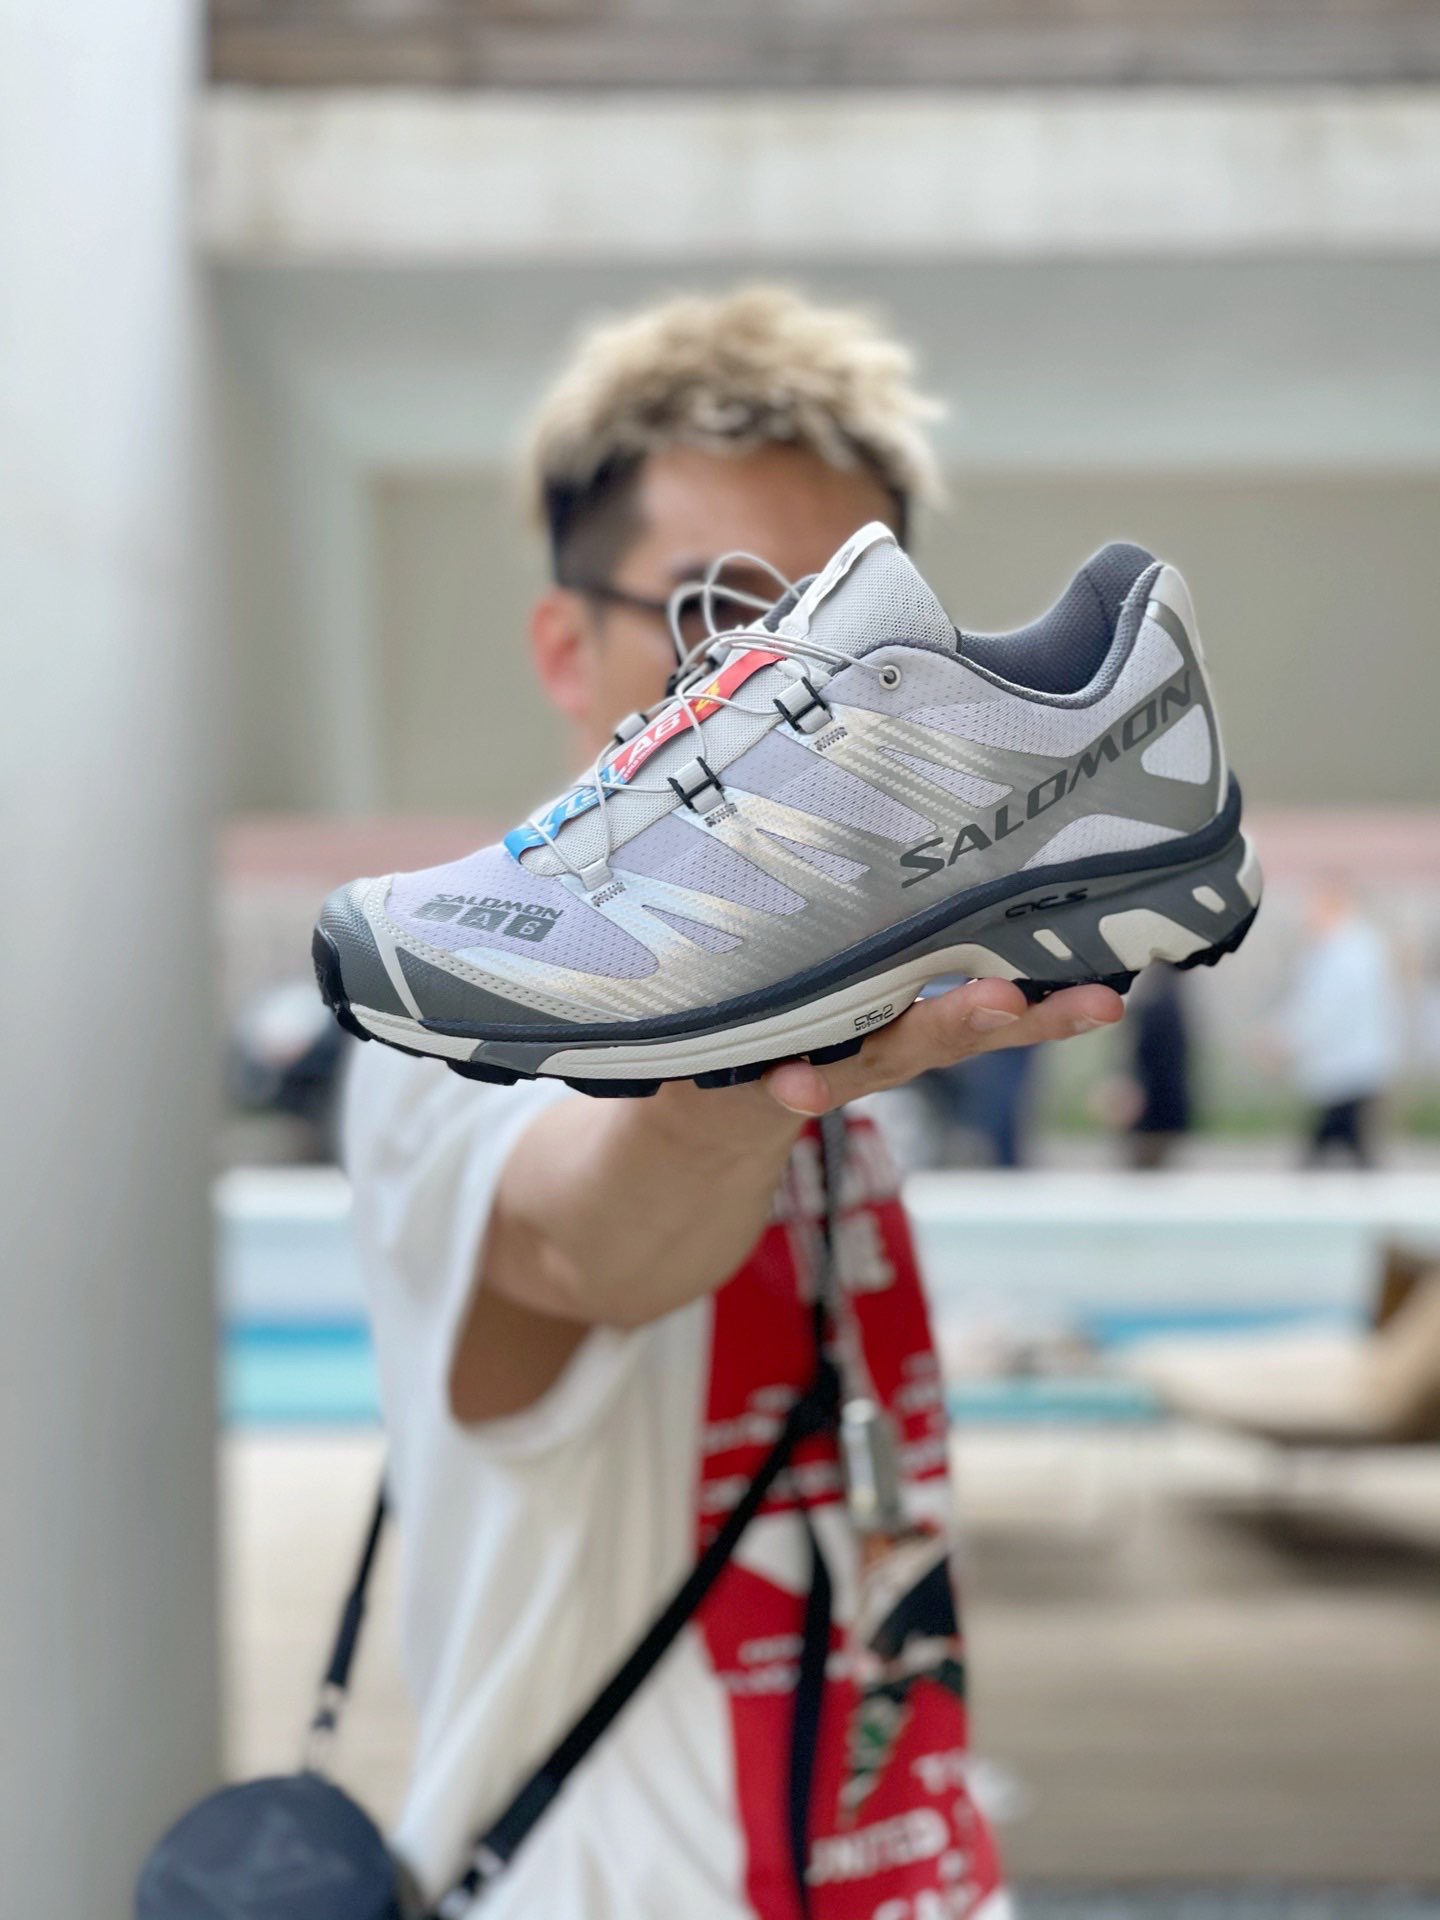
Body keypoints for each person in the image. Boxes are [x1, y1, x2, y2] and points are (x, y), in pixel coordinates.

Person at [343, 287, 1124, 1920]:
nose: (793, 692)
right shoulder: (456, 1027)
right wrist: (757, 1079)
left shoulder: (858, 999)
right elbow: (591, 1244)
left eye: (850, 638)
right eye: (725, 613)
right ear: (569, 648)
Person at [1285, 882, 1403, 1168]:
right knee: (1347, 1143)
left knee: (1334, 1141)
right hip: (1348, 1066)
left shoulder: (1348, 953)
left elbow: (1324, 1009)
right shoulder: (1347, 949)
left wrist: (1285, 1039)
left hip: (1348, 1067)